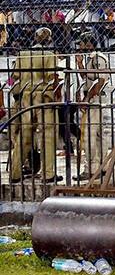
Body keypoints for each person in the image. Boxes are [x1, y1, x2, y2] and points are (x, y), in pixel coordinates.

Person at [9, 27, 60, 183]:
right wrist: (57, 95)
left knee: (24, 135)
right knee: (48, 134)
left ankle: (15, 173)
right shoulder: (50, 55)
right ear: (49, 39)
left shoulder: (23, 55)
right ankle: (48, 173)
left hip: (25, 96)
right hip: (43, 96)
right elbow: (52, 77)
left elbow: (14, 76)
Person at [75, 31, 109, 181]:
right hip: (92, 99)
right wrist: (80, 64)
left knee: (90, 134)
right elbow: (88, 77)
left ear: (88, 44)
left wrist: (87, 98)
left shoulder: (98, 58)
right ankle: (101, 167)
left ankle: (91, 169)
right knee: (98, 135)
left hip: (95, 100)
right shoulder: (90, 59)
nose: (79, 46)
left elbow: (100, 82)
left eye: (81, 44)